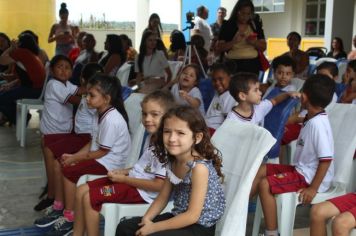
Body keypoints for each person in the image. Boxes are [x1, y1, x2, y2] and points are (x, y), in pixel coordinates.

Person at [72, 90, 175, 236]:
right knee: (82, 189)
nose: (147, 119)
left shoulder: (166, 147)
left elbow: (159, 186)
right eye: (144, 114)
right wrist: (123, 172)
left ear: (169, 116)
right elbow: (144, 169)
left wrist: (125, 179)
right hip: (131, 183)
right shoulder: (151, 138)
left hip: (141, 193)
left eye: (154, 114)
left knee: (89, 197)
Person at [116, 106, 226, 236]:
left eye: (180, 133)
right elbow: (163, 197)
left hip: (199, 227)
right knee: (125, 227)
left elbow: (192, 216)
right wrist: (147, 219)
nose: (172, 139)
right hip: (178, 217)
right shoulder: (173, 160)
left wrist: (154, 227)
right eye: (167, 131)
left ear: (197, 137)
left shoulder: (199, 168)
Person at [44, 74, 130, 236]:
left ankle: (70, 216)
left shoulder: (111, 119)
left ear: (106, 98)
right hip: (102, 158)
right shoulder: (100, 113)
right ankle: (65, 210)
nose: (87, 99)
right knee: (67, 164)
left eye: (91, 95)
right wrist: (73, 155)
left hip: (110, 164)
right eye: (86, 94)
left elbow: (101, 151)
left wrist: (75, 158)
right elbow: (93, 143)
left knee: (69, 171)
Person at [250, 74, 336, 236]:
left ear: (304, 96)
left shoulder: (318, 124)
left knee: (265, 184)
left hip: (310, 178)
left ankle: (272, 232)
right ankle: (240, 209)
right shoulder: (312, 117)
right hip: (301, 170)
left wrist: (313, 189)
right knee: (261, 169)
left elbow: (326, 160)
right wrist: (296, 118)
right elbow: (295, 121)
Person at [33, 63, 102, 213]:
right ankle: (52, 192)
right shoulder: (62, 86)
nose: (63, 70)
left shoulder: (94, 100)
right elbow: (78, 93)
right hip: (82, 137)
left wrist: (88, 93)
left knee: (51, 149)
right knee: (46, 142)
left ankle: (54, 196)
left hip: (86, 139)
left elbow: (76, 98)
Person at [36, 55, 82, 211]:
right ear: (51, 70)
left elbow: (79, 90)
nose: (63, 70)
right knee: (55, 166)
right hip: (53, 133)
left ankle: (53, 195)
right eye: (59, 67)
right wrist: (95, 98)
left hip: (61, 132)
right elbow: (74, 99)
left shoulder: (66, 84)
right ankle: (52, 196)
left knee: (55, 167)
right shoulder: (54, 84)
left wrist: (94, 87)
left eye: (67, 67)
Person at [0, 33, 46, 125]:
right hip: (38, 90)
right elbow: (26, 77)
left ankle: (20, 120)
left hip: (33, 90)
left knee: (2, 98)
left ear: (21, 43)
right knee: (3, 94)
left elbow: (2, 60)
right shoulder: (31, 54)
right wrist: (10, 85)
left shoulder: (22, 52)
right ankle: (20, 118)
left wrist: (11, 48)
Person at [226, 72, 300, 125]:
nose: (260, 93)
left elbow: (274, 101)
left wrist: (288, 94)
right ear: (242, 96)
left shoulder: (260, 107)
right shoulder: (231, 119)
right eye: (256, 90)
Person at [217, 0, 266, 75]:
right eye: (243, 13)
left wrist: (254, 42)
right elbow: (219, 48)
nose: (245, 17)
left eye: (248, 14)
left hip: (252, 65)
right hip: (233, 66)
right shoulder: (227, 25)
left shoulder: (255, 24)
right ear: (237, 11)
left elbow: (264, 47)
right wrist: (234, 41)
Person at [205, 63, 236, 134]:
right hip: (207, 128)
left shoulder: (231, 96)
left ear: (230, 78)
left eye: (220, 79)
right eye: (214, 80)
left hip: (216, 133)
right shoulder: (217, 94)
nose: (217, 83)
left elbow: (227, 123)